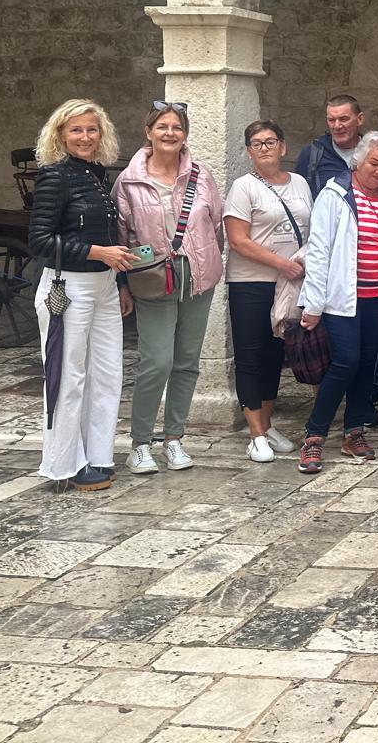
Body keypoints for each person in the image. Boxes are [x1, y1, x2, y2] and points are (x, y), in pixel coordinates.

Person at [114, 102, 225, 477]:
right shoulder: (129, 182)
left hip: (196, 277)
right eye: (162, 126)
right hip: (152, 278)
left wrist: (205, 261)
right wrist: (124, 284)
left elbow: (216, 226)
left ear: (185, 134)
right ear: (148, 132)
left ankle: (174, 437)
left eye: (177, 127)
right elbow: (121, 237)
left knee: (187, 362)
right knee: (156, 362)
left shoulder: (201, 176)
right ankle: (140, 443)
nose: (170, 133)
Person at [30, 100, 134, 491]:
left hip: (104, 285)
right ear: (60, 134)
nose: (85, 137)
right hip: (68, 286)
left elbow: (107, 235)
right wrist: (97, 253)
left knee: (107, 373)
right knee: (68, 376)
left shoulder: (96, 175)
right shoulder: (54, 176)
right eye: (76, 130)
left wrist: (119, 282)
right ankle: (64, 464)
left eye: (92, 129)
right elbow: (40, 241)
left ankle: (98, 455)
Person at [297, 132, 378, 474]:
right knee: (346, 361)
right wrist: (313, 304)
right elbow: (319, 250)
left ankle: (354, 432)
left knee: (368, 364)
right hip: (341, 298)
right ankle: (314, 435)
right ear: (358, 160)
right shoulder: (335, 194)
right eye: (374, 163)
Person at [223, 120, 311, 464]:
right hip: (251, 283)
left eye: (270, 141)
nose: (264, 148)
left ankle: (267, 424)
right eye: (257, 143)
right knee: (251, 355)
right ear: (249, 151)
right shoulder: (243, 187)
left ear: (283, 147)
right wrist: (281, 263)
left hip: (288, 283)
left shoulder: (300, 183)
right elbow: (238, 240)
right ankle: (255, 434)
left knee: (276, 354)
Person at [294, 94, 365, 197]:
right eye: (331, 120)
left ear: (360, 119)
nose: (337, 126)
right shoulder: (312, 153)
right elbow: (299, 197)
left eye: (343, 119)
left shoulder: (373, 153)